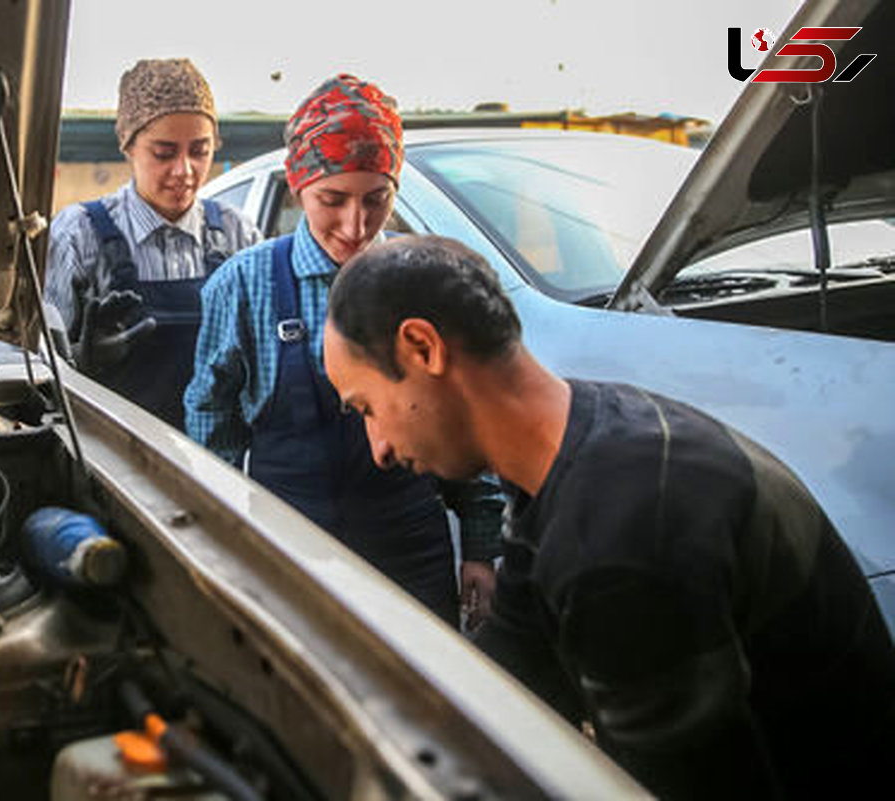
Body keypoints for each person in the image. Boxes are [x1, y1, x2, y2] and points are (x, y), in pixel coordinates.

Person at [321, 234, 895, 799]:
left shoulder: (623, 541)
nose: (379, 449)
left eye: (368, 409)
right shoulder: (580, 438)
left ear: (423, 348)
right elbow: (509, 676)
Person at [184, 75, 502, 627]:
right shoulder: (242, 286)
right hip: (283, 542)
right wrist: (219, 541)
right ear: (296, 185)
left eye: (377, 199)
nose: (355, 226)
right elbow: (212, 424)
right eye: (333, 200)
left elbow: (468, 422)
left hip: (409, 546)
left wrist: (479, 547)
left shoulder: (428, 281)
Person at [45, 58, 260, 429]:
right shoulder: (79, 234)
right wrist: (79, 360)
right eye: (164, 153)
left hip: (216, 465)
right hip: (116, 461)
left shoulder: (237, 235)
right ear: (128, 146)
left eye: (200, 151)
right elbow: (42, 369)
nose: (184, 170)